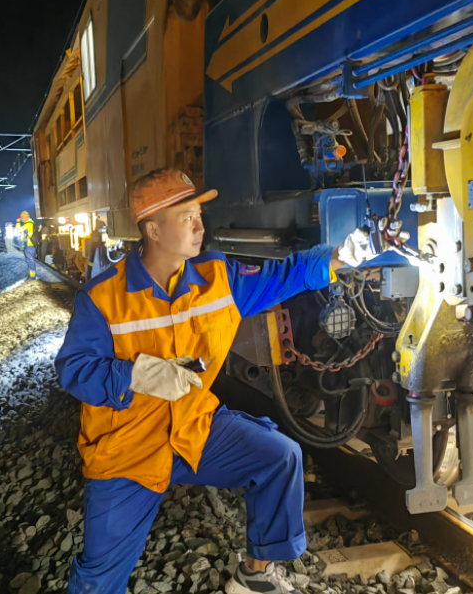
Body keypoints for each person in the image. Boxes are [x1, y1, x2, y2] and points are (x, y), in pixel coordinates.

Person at [55, 168, 375, 594]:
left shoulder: (218, 279)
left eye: (199, 213)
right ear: (152, 229)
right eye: (186, 216)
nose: (200, 225)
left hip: (194, 429)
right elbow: (74, 370)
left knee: (280, 457)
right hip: (125, 449)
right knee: (97, 578)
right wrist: (136, 375)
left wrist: (343, 255)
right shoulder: (101, 298)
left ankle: (254, 577)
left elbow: (286, 276)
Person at [16, 210, 37, 279]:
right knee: (30, 259)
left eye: (22, 218)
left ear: (25, 217)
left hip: (29, 244)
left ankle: (32, 276)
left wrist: (18, 223)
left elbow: (19, 230)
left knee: (30, 259)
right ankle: (31, 274)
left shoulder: (28, 223)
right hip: (30, 243)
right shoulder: (31, 223)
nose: (22, 219)